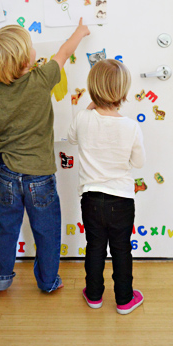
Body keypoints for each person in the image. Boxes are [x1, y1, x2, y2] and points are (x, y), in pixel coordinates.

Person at [0, 20, 90, 293]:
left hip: (8, 175)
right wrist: (80, 32)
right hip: (40, 177)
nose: (35, 50)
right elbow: (64, 52)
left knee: (5, 230)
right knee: (46, 234)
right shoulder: (42, 77)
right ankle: (47, 282)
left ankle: (0, 280)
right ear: (24, 58)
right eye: (31, 47)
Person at [67, 59, 146, 314]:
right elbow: (139, 162)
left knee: (95, 247)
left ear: (92, 89)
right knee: (121, 249)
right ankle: (124, 300)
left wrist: (88, 109)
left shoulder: (82, 118)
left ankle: (94, 296)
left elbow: (70, 138)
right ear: (123, 92)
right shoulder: (131, 126)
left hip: (90, 198)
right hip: (122, 199)